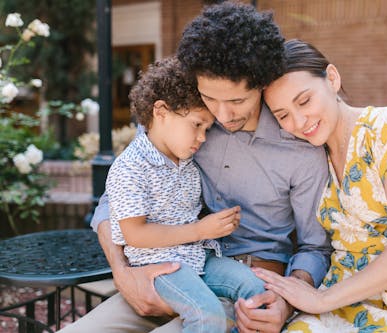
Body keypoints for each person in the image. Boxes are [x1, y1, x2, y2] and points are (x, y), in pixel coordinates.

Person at [59, 3, 331, 333]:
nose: (222, 115)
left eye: (237, 101)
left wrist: (287, 302)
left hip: (246, 289)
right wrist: (123, 273)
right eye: (210, 98)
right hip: (163, 273)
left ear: (262, 84)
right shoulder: (184, 120)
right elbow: (113, 201)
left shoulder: (299, 151)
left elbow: (315, 247)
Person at [253, 39, 387, 332]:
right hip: (341, 303)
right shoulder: (311, 157)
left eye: (304, 101)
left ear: (332, 78)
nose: (299, 121)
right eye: (283, 116)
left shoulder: (385, 129)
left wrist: (321, 299)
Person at [105, 56, 268, 333]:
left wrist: (219, 222)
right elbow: (135, 235)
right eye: (196, 125)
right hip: (159, 266)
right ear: (161, 112)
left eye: (207, 128)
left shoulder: (185, 162)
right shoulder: (129, 167)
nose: (203, 137)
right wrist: (200, 229)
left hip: (198, 256)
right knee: (208, 316)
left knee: (253, 288)